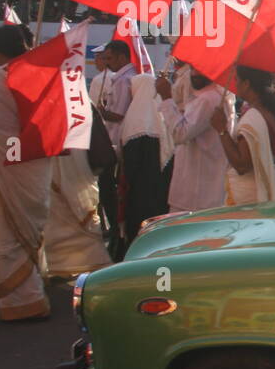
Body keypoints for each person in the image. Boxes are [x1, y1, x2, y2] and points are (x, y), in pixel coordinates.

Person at [0, 23, 51, 320]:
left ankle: (22, 301)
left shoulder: (0, 79)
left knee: (6, 233)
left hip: (11, 165)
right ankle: (27, 291)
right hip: (35, 164)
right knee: (28, 228)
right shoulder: (39, 72)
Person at [212, 66, 275, 205]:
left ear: (247, 84)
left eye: (237, 80)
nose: (235, 84)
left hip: (251, 201)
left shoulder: (254, 118)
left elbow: (242, 165)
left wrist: (222, 130)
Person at [158, 69, 232, 213]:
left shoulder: (208, 99)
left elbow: (180, 133)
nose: (195, 74)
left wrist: (166, 97)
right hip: (199, 191)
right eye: (192, 69)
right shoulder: (205, 97)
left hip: (197, 196)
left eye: (200, 70)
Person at [120, 72, 172, 245]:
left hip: (139, 190)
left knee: (139, 229)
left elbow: (130, 163)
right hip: (161, 186)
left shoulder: (134, 118)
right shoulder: (161, 114)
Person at [46, 149, 113, 279]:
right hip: (72, 199)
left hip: (54, 196)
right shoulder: (74, 145)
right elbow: (78, 180)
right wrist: (89, 212)